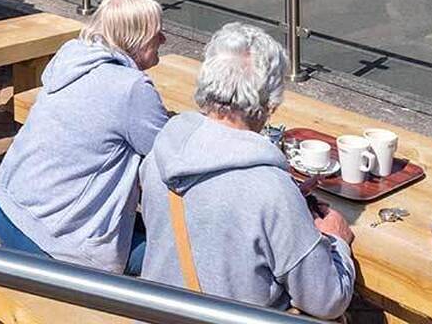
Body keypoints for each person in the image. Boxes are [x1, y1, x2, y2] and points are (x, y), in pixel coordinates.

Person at [139, 22, 355, 319]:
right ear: (272, 104)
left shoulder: (158, 158)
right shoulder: (271, 190)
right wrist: (338, 240)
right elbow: (326, 300)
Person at [0, 0, 169, 274]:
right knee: (186, 254)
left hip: (7, 210)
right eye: (156, 34)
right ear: (134, 38)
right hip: (50, 241)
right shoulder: (130, 87)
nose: (163, 40)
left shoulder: (72, 57)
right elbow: (171, 155)